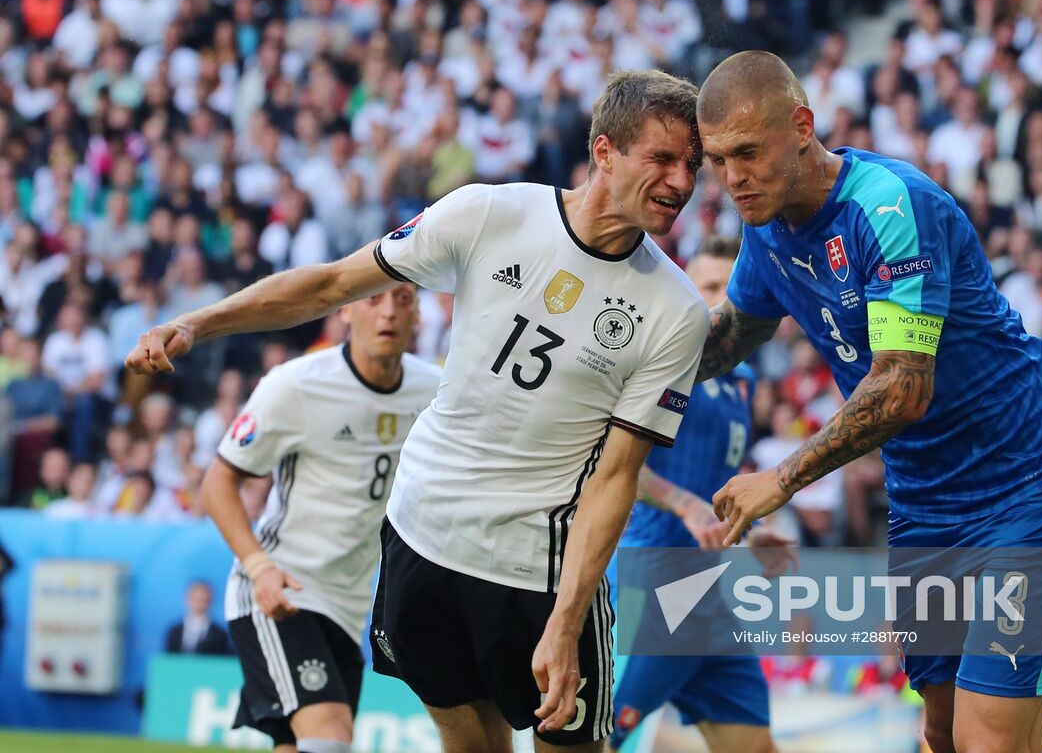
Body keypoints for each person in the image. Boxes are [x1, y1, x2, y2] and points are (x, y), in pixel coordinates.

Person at [125, 70, 711, 753]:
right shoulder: (490, 213)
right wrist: (200, 322)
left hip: (538, 571)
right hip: (423, 543)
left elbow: (616, 477)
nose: (681, 182)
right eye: (663, 159)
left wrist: (566, 620)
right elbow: (333, 282)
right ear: (604, 151)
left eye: (692, 166)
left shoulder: (675, 311)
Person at [694, 51, 1042, 753]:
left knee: (988, 744)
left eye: (747, 152)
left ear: (801, 126)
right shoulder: (763, 232)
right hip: (925, 503)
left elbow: (903, 388)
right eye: (717, 159)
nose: (731, 177)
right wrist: (610, 370)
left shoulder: (888, 207)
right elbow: (728, 338)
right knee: (940, 736)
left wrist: (780, 479)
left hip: (1027, 486)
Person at [199, 282, 440, 753]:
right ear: (345, 310)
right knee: (329, 736)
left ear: (419, 316)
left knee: (300, 745)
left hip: (349, 604)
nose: (389, 312)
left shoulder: (433, 392)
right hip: (280, 589)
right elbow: (217, 484)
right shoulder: (296, 385)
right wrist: (259, 568)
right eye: (373, 298)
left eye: (404, 298)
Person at [610, 236, 785, 753]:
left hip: (706, 593)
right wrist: (683, 504)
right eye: (707, 288)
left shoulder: (744, 382)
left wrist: (747, 536)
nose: (719, 304)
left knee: (754, 746)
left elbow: (712, 490)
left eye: (730, 291)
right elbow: (614, 465)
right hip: (652, 586)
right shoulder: (664, 363)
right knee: (596, 739)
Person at [164, 580, 232, 656]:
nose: (199, 602)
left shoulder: (219, 634)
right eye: (196, 598)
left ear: (210, 600)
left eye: (203, 599)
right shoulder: (175, 631)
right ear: (187, 599)